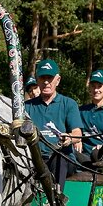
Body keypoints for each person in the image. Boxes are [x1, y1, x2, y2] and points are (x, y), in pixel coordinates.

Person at [24, 59, 82, 190]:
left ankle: (56, 198)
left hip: (63, 159)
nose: (46, 82)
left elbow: (78, 134)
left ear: (58, 80)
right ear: (37, 80)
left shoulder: (69, 104)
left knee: (59, 157)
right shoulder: (26, 107)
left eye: (49, 78)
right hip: (34, 159)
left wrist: (69, 138)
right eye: (42, 78)